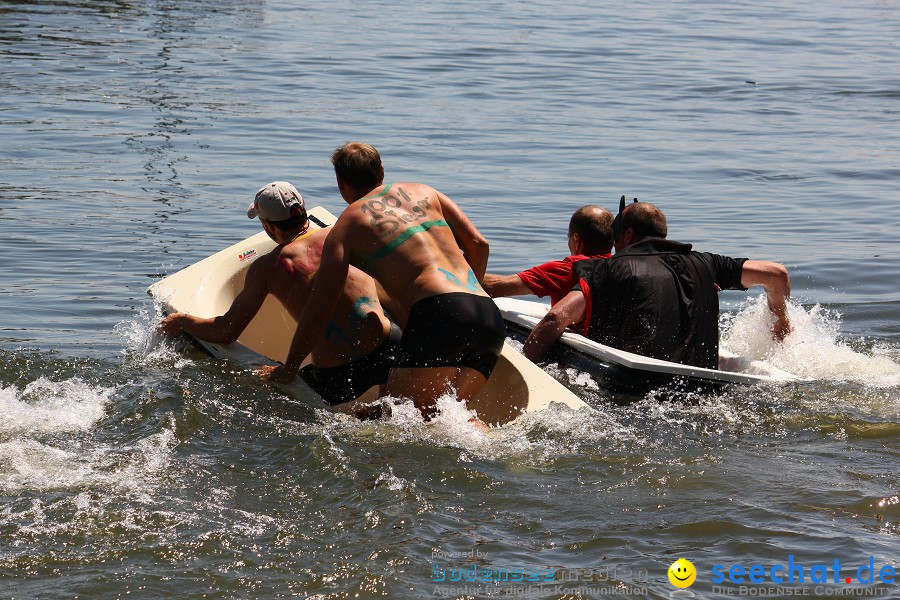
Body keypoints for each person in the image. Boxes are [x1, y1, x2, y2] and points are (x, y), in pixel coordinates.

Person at [264, 142, 505, 422]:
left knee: (399, 421)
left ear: (341, 184)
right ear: (381, 170)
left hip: (438, 312)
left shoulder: (347, 225)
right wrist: (466, 299)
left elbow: (321, 306)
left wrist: (289, 369)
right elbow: (479, 244)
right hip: (487, 315)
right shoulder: (426, 192)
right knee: (444, 418)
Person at [158, 181, 400, 408]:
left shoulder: (269, 267)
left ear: (269, 226)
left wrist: (183, 321)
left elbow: (226, 331)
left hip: (341, 370)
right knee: (393, 410)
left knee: (272, 396)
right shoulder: (339, 234)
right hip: (393, 343)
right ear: (303, 210)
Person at [524, 197, 791, 368]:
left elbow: (554, 320)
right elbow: (776, 274)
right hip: (703, 389)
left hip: (634, 386)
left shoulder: (604, 269)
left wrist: (527, 367)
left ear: (627, 235)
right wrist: (780, 318)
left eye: (616, 236)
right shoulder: (707, 263)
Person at [482, 205, 613, 334]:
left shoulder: (566, 270)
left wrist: (462, 271)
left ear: (576, 240)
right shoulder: (621, 268)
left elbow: (493, 287)